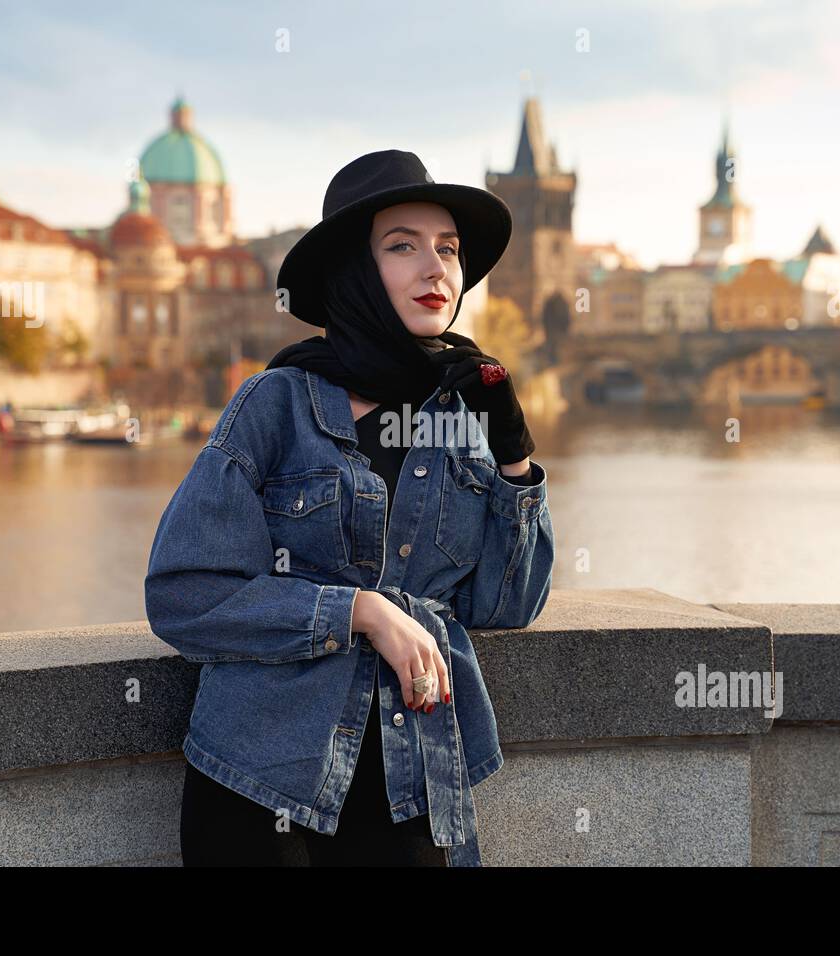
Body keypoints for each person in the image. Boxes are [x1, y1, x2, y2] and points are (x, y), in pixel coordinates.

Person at [145, 149, 555, 867]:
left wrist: (515, 457)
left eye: (449, 250)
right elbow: (187, 595)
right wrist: (361, 611)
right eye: (403, 246)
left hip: (414, 776)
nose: (437, 269)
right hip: (263, 777)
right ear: (353, 274)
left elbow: (508, 604)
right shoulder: (276, 404)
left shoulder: (461, 417)